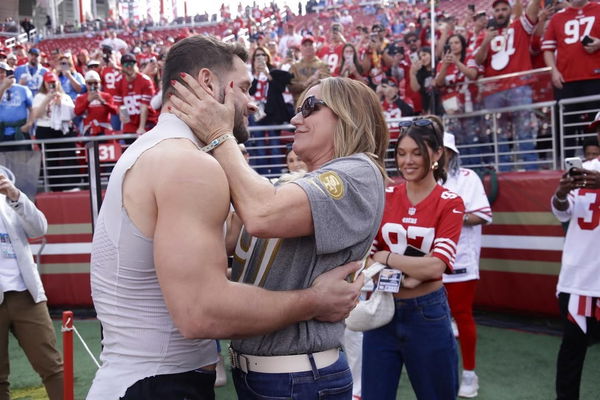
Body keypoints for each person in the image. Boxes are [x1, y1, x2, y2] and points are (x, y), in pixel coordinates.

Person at [87, 35, 363, 400]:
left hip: (146, 379)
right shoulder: (187, 163)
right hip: (156, 384)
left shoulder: (156, 151)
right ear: (206, 83)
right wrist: (315, 300)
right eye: (245, 88)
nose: (251, 103)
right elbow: (200, 312)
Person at [170, 75, 389, 398]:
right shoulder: (299, 185)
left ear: (349, 114)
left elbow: (261, 214)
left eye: (310, 107)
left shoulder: (358, 172)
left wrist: (219, 135)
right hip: (274, 376)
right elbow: (259, 275)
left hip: (299, 378)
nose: (295, 118)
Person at [362, 116, 464, 400]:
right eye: (402, 153)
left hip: (427, 313)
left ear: (437, 154)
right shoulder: (385, 194)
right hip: (382, 310)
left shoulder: (450, 202)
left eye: (417, 152)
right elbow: (366, 258)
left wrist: (387, 256)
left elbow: (436, 265)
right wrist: (409, 272)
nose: (408, 161)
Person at [0, 167, 63, 400]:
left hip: (27, 294)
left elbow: (39, 228)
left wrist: (15, 195)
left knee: (52, 366)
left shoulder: (8, 195)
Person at [550, 119, 599, 400]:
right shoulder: (587, 169)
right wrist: (560, 194)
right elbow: (563, 212)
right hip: (578, 279)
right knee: (571, 354)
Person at [441, 132, 493, 398]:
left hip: (460, 258)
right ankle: (442, 374)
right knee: (435, 322)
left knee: (462, 315)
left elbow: (483, 215)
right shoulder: (422, 178)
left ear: (451, 152)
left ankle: (469, 374)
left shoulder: (467, 178)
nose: (439, 154)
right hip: (429, 261)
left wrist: (449, 215)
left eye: (443, 149)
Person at [474, 0, 540, 170]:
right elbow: (478, 60)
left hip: (519, 86)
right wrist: (485, 42)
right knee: (499, 134)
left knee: (524, 129)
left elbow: (533, 12)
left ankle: (530, 167)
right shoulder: (484, 35)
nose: (501, 13)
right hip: (494, 90)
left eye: (504, 9)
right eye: (497, 10)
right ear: (493, 13)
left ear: (510, 10)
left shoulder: (520, 26)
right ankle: (503, 169)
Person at [542, 0, 600, 157]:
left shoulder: (598, 9)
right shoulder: (557, 18)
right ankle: (566, 166)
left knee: (596, 125)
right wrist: (553, 71)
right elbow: (547, 49)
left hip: (595, 77)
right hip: (566, 81)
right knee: (566, 127)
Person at [112, 53, 157, 135]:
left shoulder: (145, 81)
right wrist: (124, 117)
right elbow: (120, 105)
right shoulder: (118, 82)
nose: (129, 66)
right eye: (126, 64)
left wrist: (141, 127)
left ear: (136, 65)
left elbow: (144, 106)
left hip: (147, 122)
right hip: (130, 123)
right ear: (122, 66)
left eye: (131, 63)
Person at [288, 35, 331, 105]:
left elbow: (326, 86)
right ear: (300, 48)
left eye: (310, 44)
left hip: (318, 104)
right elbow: (291, 86)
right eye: (305, 45)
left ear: (315, 47)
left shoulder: (323, 66)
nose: (308, 47)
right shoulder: (294, 66)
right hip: (299, 104)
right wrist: (308, 82)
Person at [0, 62, 33, 151]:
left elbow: (32, 109)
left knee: (25, 160)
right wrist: (3, 87)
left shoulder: (23, 89)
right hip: (2, 132)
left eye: (3, 72)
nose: (1, 75)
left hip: (20, 130)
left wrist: (29, 124)